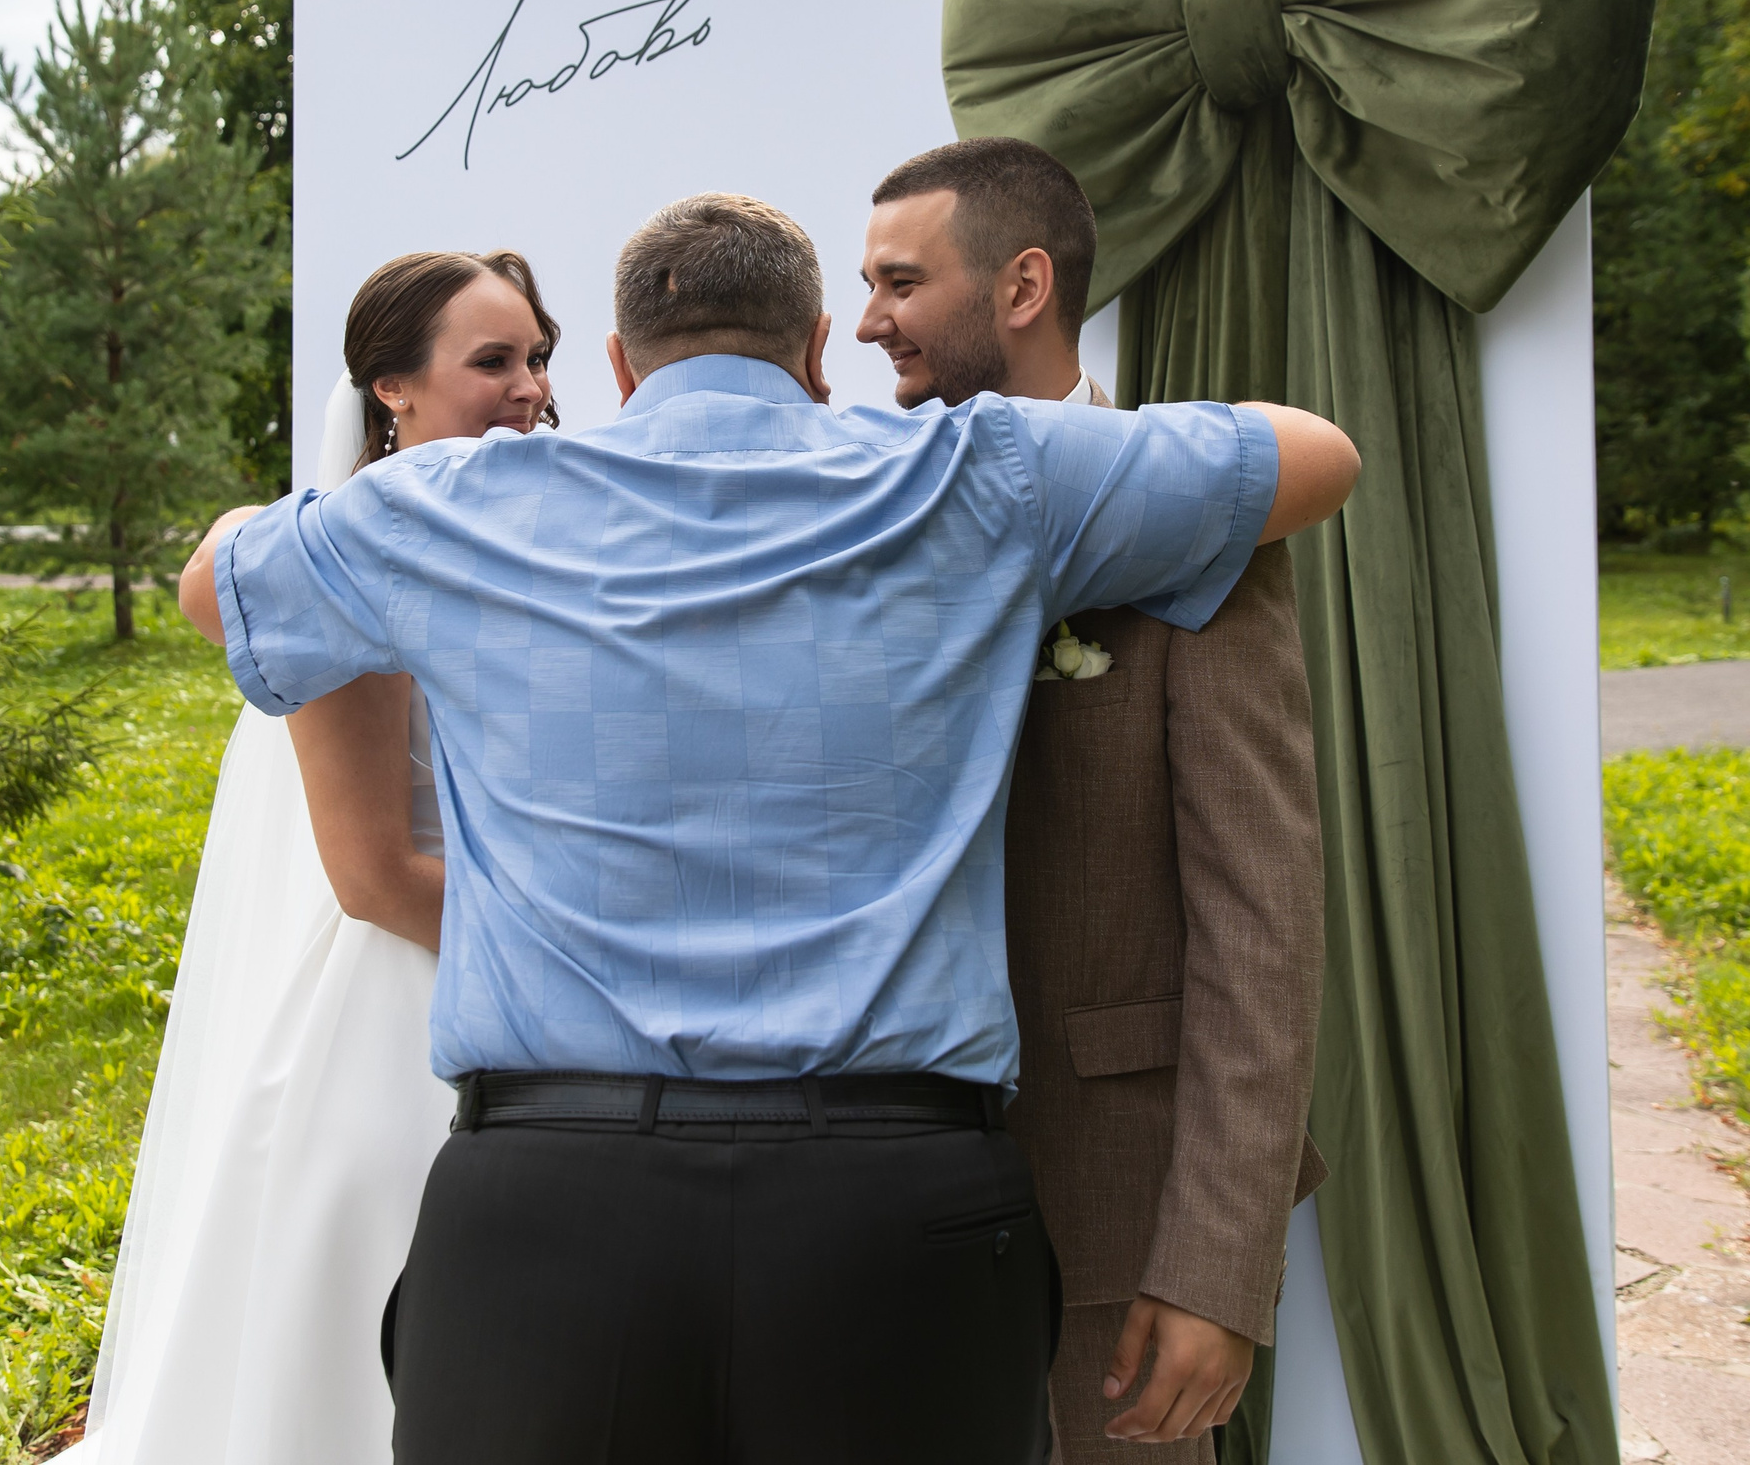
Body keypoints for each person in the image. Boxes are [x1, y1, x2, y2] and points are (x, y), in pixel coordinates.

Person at [179, 190, 1360, 1464]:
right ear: (811, 350)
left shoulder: (455, 502)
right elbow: (1316, 454)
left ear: (621, 367)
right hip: (895, 1212)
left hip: (546, 1211)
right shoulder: (980, 469)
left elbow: (216, 583)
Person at [856, 138, 1329, 1459]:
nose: (867, 321)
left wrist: (1215, 1269)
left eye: (900, 282)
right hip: (874, 1186)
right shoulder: (863, 518)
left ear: (1019, 287)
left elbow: (1263, 919)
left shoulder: (1196, 515)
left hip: (1117, 1201)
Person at [69, 251, 558, 1465]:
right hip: (420, 991)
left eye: (538, 356)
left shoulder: (543, 535)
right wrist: (587, 949)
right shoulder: (341, 569)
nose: (530, 386)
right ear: (390, 387)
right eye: (491, 360)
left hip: (507, 972)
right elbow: (375, 874)